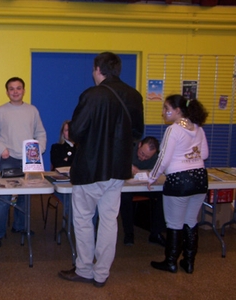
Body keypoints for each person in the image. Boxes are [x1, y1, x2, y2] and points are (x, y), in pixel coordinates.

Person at [58, 52, 144, 287]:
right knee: (108, 221)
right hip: (118, 169)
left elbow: (75, 132)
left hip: (90, 169)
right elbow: (137, 134)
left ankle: (85, 269)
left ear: (97, 69)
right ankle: (101, 274)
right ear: (117, 69)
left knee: (84, 220)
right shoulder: (134, 96)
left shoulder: (92, 95)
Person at [148, 94, 208, 274]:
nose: (164, 112)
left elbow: (163, 159)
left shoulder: (174, 130)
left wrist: (152, 177)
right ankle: (189, 262)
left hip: (179, 182)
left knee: (174, 223)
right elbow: (203, 154)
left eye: (167, 109)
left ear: (178, 111)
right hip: (200, 179)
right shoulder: (197, 127)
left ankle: (171, 261)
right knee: (191, 221)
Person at [0, 77, 47, 248]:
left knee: (25, 197)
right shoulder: (0, 111)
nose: (15, 91)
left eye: (18, 88)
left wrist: (38, 148)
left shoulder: (32, 110)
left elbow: (40, 133)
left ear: (24, 90)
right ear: (7, 92)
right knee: (3, 199)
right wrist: (1, 149)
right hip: (8, 158)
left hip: (29, 160)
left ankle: (20, 227)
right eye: (11, 89)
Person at [120, 136, 166, 246]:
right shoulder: (127, 148)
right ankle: (129, 233)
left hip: (145, 185)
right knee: (125, 197)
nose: (143, 158)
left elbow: (159, 172)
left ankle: (156, 233)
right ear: (139, 145)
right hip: (127, 185)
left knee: (162, 195)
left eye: (147, 157)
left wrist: (154, 177)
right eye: (142, 154)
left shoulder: (156, 157)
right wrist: (127, 166)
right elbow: (113, 162)